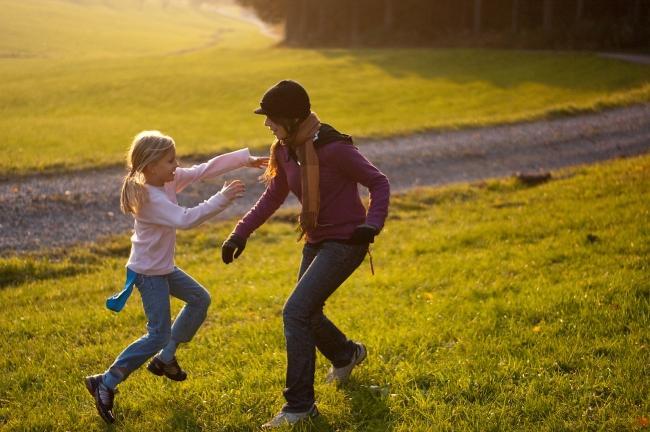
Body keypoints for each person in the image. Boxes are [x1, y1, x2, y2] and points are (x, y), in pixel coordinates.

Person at [221, 80, 390, 428]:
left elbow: (379, 182)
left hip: (348, 241)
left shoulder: (333, 148)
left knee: (295, 312)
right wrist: (240, 233)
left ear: (293, 118)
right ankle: (346, 354)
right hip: (316, 239)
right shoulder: (284, 150)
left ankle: (299, 407)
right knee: (306, 313)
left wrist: (372, 225)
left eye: (272, 117)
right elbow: (273, 195)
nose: (267, 124)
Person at [85, 130, 268, 424]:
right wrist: (222, 197)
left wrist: (244, 160)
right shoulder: (149, 197)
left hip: (163, 268)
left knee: (199, 299)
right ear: (150, 165)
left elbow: (203, 169)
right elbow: (185, 219)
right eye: (170, 160)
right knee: (157, 333)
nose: (176, 165)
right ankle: (106, 381)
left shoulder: (165, 179)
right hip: (148, 274)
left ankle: (166, 357)